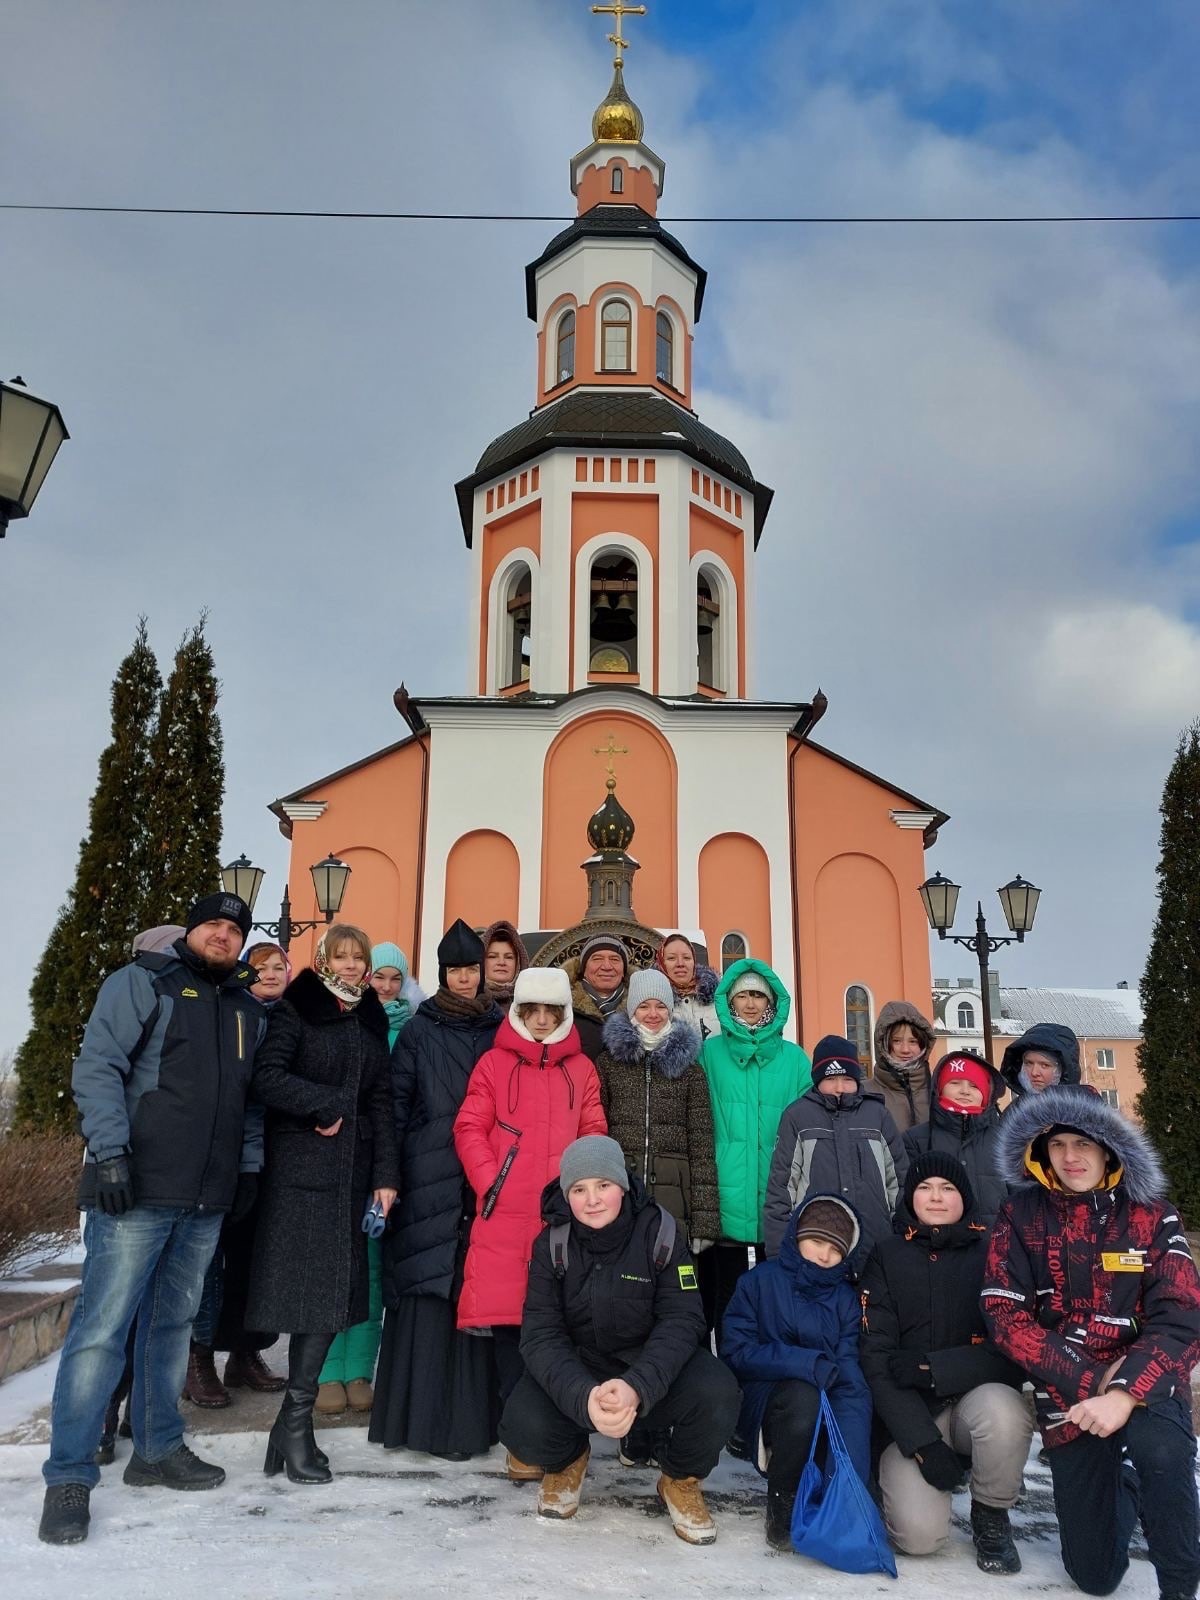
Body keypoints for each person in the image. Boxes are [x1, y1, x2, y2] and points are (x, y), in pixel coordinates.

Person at [39, 893, 265, 1546]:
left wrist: (246, 1170)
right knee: (101, 1331)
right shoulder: (142, 983)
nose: (223, 936)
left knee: (171, 1325)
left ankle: (157, 1448)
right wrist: (109, 1154)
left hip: (206, 1198)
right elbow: (100, 1067)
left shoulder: (245, 1009)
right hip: (136, 1190)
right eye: (213, 926)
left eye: (234, 929)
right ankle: (70, 1475)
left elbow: (246, 1104)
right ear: (191, 932)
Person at [984, 1087, 1200, 1600]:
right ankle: (1121, 1484)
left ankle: (1179, 1584)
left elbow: (1182, 1318)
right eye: (1057, 1144)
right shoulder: (1021, 1214)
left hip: (1147, 1381)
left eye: (1084, 1142)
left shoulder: (1152, 1214)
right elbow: (1003, 1313)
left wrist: (1124, 1392)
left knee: (1163, 1455)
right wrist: (1091, 1384)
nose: (1070, 1157)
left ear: (1108, 1148)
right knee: (1096, 1576)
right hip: (1067, 1388)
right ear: (1041, 1151)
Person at [499, 1136, 739, 1543]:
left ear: (623, 1186)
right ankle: (569, 1459)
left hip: (647, 1367)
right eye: (579, 1189)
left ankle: (679, 1478)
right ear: (567, 1195)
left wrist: (637, 1387)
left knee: (719, 1394)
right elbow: (541, 1335)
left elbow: (682, 1320)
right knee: (521, 1424)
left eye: (603, 1185)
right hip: (581, 1366)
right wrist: (583, 1397)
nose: (592, 1200)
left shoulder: (660, 1233)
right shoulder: (552, 1245)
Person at [245, 924, 399, 1486]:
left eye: (360, 956)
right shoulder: (298, 1008)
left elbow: (381, 1099)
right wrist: (322, 1104)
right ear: (324, 958)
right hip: (303, 1175)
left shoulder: (369, 1017)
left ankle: (290, 1425)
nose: (354, 965)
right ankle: (294, 1424)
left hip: (353, 1175)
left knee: (333, 1300)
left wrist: (386, 1175)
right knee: (312, 1299)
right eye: (344, 956)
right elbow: (266, 1076)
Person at [859, 1152, 1031, 1573]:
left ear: (965, 1197)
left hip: (974, 1403)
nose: (936, 1197)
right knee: (919, 1539)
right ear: (909, 1198)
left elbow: (1014, 1351)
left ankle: (991, 1513)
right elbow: (876, 1357)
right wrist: (922, 1445)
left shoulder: (994, 1252)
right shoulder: (886, 1255)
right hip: (910, 1416)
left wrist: (933, 1368)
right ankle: (903, 1482)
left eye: (948, 1188)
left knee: (1005, 1414)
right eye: (924, 1187)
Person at [369, 919, 502, 1461]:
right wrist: (390, 1175)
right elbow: (396, 1106)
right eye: (457, 971)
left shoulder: (501, 1027)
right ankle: (417, 1421)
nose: (466, 979)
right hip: (428, 1172)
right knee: (427, 1289)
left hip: (483, 1175)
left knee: (472, 1293)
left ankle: (470, 1424)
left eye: (472, 969)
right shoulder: (422, 1029)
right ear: (444, 975)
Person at [453, 966, 606, 1414]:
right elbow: (469, 1127)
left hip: (563, 1215)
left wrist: (582, 1191)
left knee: (557, 1327)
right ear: (518, 1011)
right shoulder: (494, 1064)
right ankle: (519, 1432)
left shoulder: (581, 1069)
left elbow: (594, 1133)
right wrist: (490, 1182)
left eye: (551, 1010)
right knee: (508, 1326)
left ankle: (552, 1432)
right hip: (503, 1213)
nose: (541, 1019)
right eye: (532, 1010)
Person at [721, 1193, 873, 1550]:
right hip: (765, 1399)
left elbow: (849, 1380)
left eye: (835, 1249)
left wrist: (850, 1481)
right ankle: (782, 1498)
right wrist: (805, 1363)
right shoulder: (759, 1282)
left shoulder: (845, 1300)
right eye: (816, 1241)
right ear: (797, 1235)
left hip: (824, 1401)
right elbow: (736, 1351)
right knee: (803, 1398)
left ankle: (831, 1491)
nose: (824, 1255)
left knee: (839, 1418)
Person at [184, 941, 291, 1411]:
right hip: (226, 1153)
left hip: (276, 1158)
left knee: (258, 1262)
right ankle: (199, 1355)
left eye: (279, 966)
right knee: (210, 1262)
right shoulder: (232, 1009)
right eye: (260, 966)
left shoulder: (289, 1017)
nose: (270, 974)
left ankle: (246, 1354)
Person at [313, 940, 418, 1417]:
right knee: (332, 1267)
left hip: (383, 1162)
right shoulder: (349, 1020)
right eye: (381, 977)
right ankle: (326, 1370)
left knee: (372, 1273)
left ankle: (359, 1370)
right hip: (337, 1157)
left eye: (396, 979)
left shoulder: (410, 1029)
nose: (387, 986)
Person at [699, 958, 813, 1342]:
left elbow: (806, 1132)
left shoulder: (794, 1059)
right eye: (743, 994)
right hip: (724, 1204)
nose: (750, 1003)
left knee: (774, 1308)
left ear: (772, 1003)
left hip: (776, 1203)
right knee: (723, 1306)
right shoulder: (710, 1055)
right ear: (730, 1001)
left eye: (758, 996)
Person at [595, 967, 719, 1250]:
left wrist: (704, 1222)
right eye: (644, 1006)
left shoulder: (690, 1070)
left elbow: (702, 1148)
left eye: (661, 1006)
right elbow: (597, 1135)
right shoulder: (609, 1064)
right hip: (621, 1189)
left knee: (671, 1286)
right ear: (631, 1010)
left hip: (676, 1197)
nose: (653, 1013)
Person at [763, 1034, 907, 1261]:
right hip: (816, 1251)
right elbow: (781, 1190)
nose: (839, 1087)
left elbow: (898, 1183)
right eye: (831, 1079)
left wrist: (903, 1241)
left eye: (847, 1079)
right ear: (818, 1080)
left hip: (876, 1249)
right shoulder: (797, 1116)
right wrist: (778, 1256)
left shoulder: (877, 1115)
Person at [902, 1051, 1008, 1223]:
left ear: (987, 1094)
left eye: (975, 1086)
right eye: (955, 1083)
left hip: (997, 1242)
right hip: (937, 1244)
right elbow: (905, 1197)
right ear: (940, 1088)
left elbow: (1020, 1196)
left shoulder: (1005, 1139)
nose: (965, 1091)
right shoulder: (915, 1139)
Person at [561, 934, 629, 1061]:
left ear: (624, 970)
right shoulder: (562, 1007)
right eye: (597, 959)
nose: (607, 966)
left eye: (615, 959)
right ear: (584, 968)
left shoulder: (641, 1008)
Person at [872, 1000, 936, 1133]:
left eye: (913, 1042)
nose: (905, 1049)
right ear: (883, 1044)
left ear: (923, 1044)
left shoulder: (939, 1091)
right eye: (896, 1041)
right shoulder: (866, 1093)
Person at [654, 932, 720, 1041]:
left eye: (686, 957)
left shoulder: (717, 998)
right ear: (662, 963)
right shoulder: (653, 1003)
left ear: (694, 961)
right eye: (671, 958)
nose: (680, 963)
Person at [999, 1022, 1080, 1103]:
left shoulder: (1082, 1111)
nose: (1034, 1073)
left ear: (1064, 1070)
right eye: (1029, 1063)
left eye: (1045, 1065)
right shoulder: (1017, 1111)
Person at [482, 918, 529, 1009]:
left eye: (509, 957)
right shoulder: (471, 1001)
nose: (501, 962)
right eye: (492, 956)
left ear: (519, 964)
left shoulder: (530, 1003)